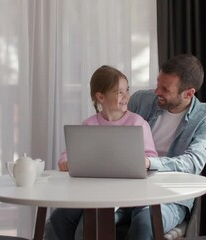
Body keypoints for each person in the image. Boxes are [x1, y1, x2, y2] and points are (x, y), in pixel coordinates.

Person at [116, 54, 206, 239]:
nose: (157, 91)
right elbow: (113, 131)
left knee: (144, 221)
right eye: (158, 83)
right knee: (76, 215)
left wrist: (150, 163)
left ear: (188, 93)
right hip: (127, 187)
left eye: (165, 89)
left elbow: (193, 163)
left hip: (169, 196)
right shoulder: (141, 100)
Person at [47, 65, 158, 240]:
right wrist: (66, 162)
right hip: (90, 194)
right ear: (100, 97)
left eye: (127, 90)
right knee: (57, 219)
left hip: (126, 197)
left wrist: (140, 162)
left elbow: (152, 158)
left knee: (87, 227)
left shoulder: (138, 123)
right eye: (119, 92)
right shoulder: (89, 125)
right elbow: (67, 155)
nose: (126, 97)